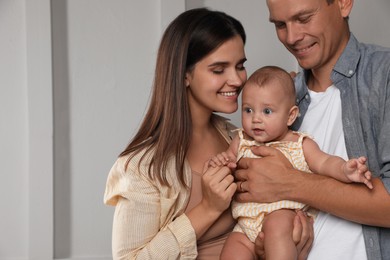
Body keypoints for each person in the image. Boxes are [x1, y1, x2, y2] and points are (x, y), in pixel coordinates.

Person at [103, 8, 313, 260]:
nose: (237, 80)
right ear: (184, 74)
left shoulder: (242, 140)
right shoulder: (142, 167)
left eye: (239, 66)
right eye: (218, 69)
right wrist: (208, 208)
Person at [234, 0, 390, 259]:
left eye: (304, 18)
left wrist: (291, 183)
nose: (292, 37)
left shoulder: (383, 76)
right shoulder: (277, 99)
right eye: (281, 25)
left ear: (343, 4)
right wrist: (261, 243)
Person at [207, 66, 372, 260]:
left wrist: (345, 169)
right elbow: (228, 162)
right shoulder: (241, 140)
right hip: (244, 223)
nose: (256, 119)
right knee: (232, 251)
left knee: (278, 232)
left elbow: (325, 162)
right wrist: (221, 162)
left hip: (282, 214)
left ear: (291, 116)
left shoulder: (299, 143)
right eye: (248, 110)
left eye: (267, 111)